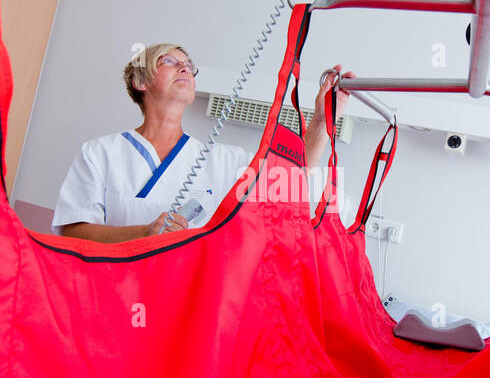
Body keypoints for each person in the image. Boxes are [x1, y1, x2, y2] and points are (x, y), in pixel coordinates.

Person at [52, 43, 353, 242]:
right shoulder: (100, 153)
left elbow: (293, 178)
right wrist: (144, 233)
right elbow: (72, 231)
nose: (185, 67)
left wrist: (322, 120)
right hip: (115, 299)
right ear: (140, 82)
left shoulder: (222, 160)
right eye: (169, 61)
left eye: (188, 64)